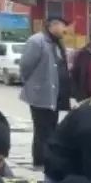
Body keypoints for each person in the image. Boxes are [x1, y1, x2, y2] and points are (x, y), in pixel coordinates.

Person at [20, 13, 72, 169]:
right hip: (40, 94)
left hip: (54, 95)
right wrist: (33, 84)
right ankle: (40, 161)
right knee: (42, 130)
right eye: (61, 25)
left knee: (51, 129)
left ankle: (48, 159)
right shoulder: (37, 41)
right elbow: (25, 66)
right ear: (52, 25)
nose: (63, 29)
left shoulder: (56, 43)